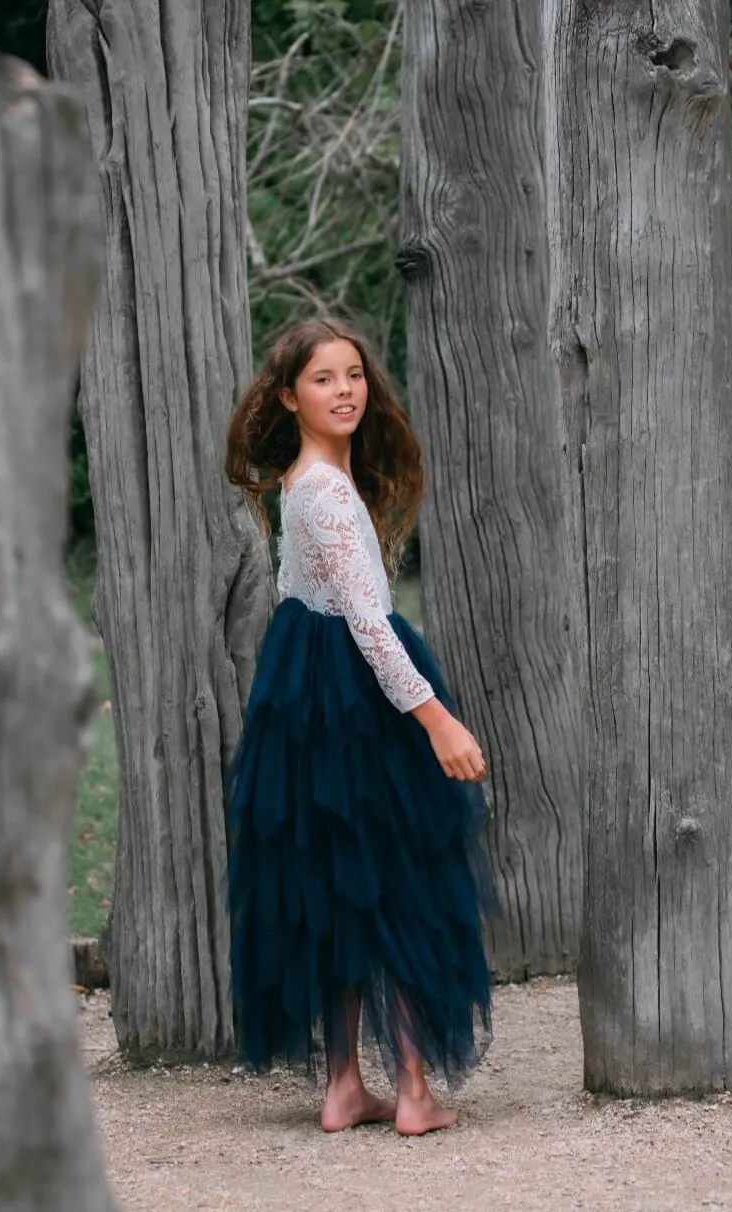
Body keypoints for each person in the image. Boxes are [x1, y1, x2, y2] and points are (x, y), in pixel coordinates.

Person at [225, 318, 495, 1136]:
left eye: (353, 375)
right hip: (355, 691)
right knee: (399, 874)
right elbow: (371, 625)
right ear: (288, 396)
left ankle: (344, 1084)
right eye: (321, 379)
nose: (344, 390)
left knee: (336, 880)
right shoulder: (327, 492)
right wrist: (438, 720)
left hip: (306, 683)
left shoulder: (300, 482)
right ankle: (411, 1090)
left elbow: (299, 591)